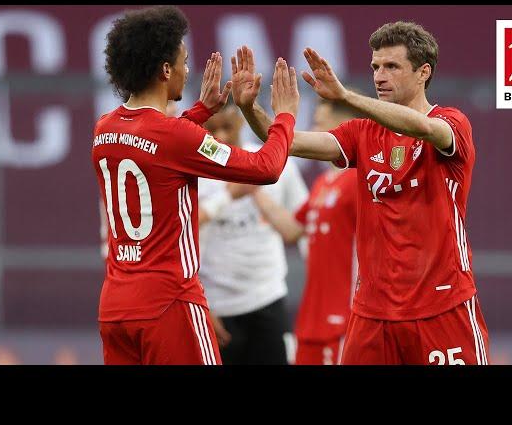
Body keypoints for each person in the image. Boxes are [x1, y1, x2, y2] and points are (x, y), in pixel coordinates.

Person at [231, 21, 489, 365]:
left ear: (423, 72)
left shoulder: (453, 123)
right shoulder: (362, 133)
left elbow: (424, 127)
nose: (379, 76)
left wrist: (347, 97)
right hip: (372, 314)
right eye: (375, 67)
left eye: (392, 66)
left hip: (441, 307)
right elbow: (290, 142)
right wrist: (251, 109)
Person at [92, 5, 299, 365]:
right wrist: (284, 117)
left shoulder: (105, 128)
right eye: (184, 62)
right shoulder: (176, 136)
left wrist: (200, 113)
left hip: (116, 306)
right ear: (165, 69)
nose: (189, 72)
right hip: (169, 302)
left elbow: (156, 144)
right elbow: (266, 167)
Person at [252, 96, 362, 365]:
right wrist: (252, 187)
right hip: (312, 319)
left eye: (318, 123)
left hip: (343, 318)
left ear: (345, 127)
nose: (312, 131)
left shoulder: (358, 181)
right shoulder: (324, 182)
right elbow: (292, 229)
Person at [196, 102, 308, 365]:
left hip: (267, 298)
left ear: (241, 122)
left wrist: (256, 187)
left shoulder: (271, 162)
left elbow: (297, 227)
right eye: (212, 129)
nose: (221, 136)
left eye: (227, 127)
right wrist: (227, 196)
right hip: (217, 307)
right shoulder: (195, 169)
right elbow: (183, 232)